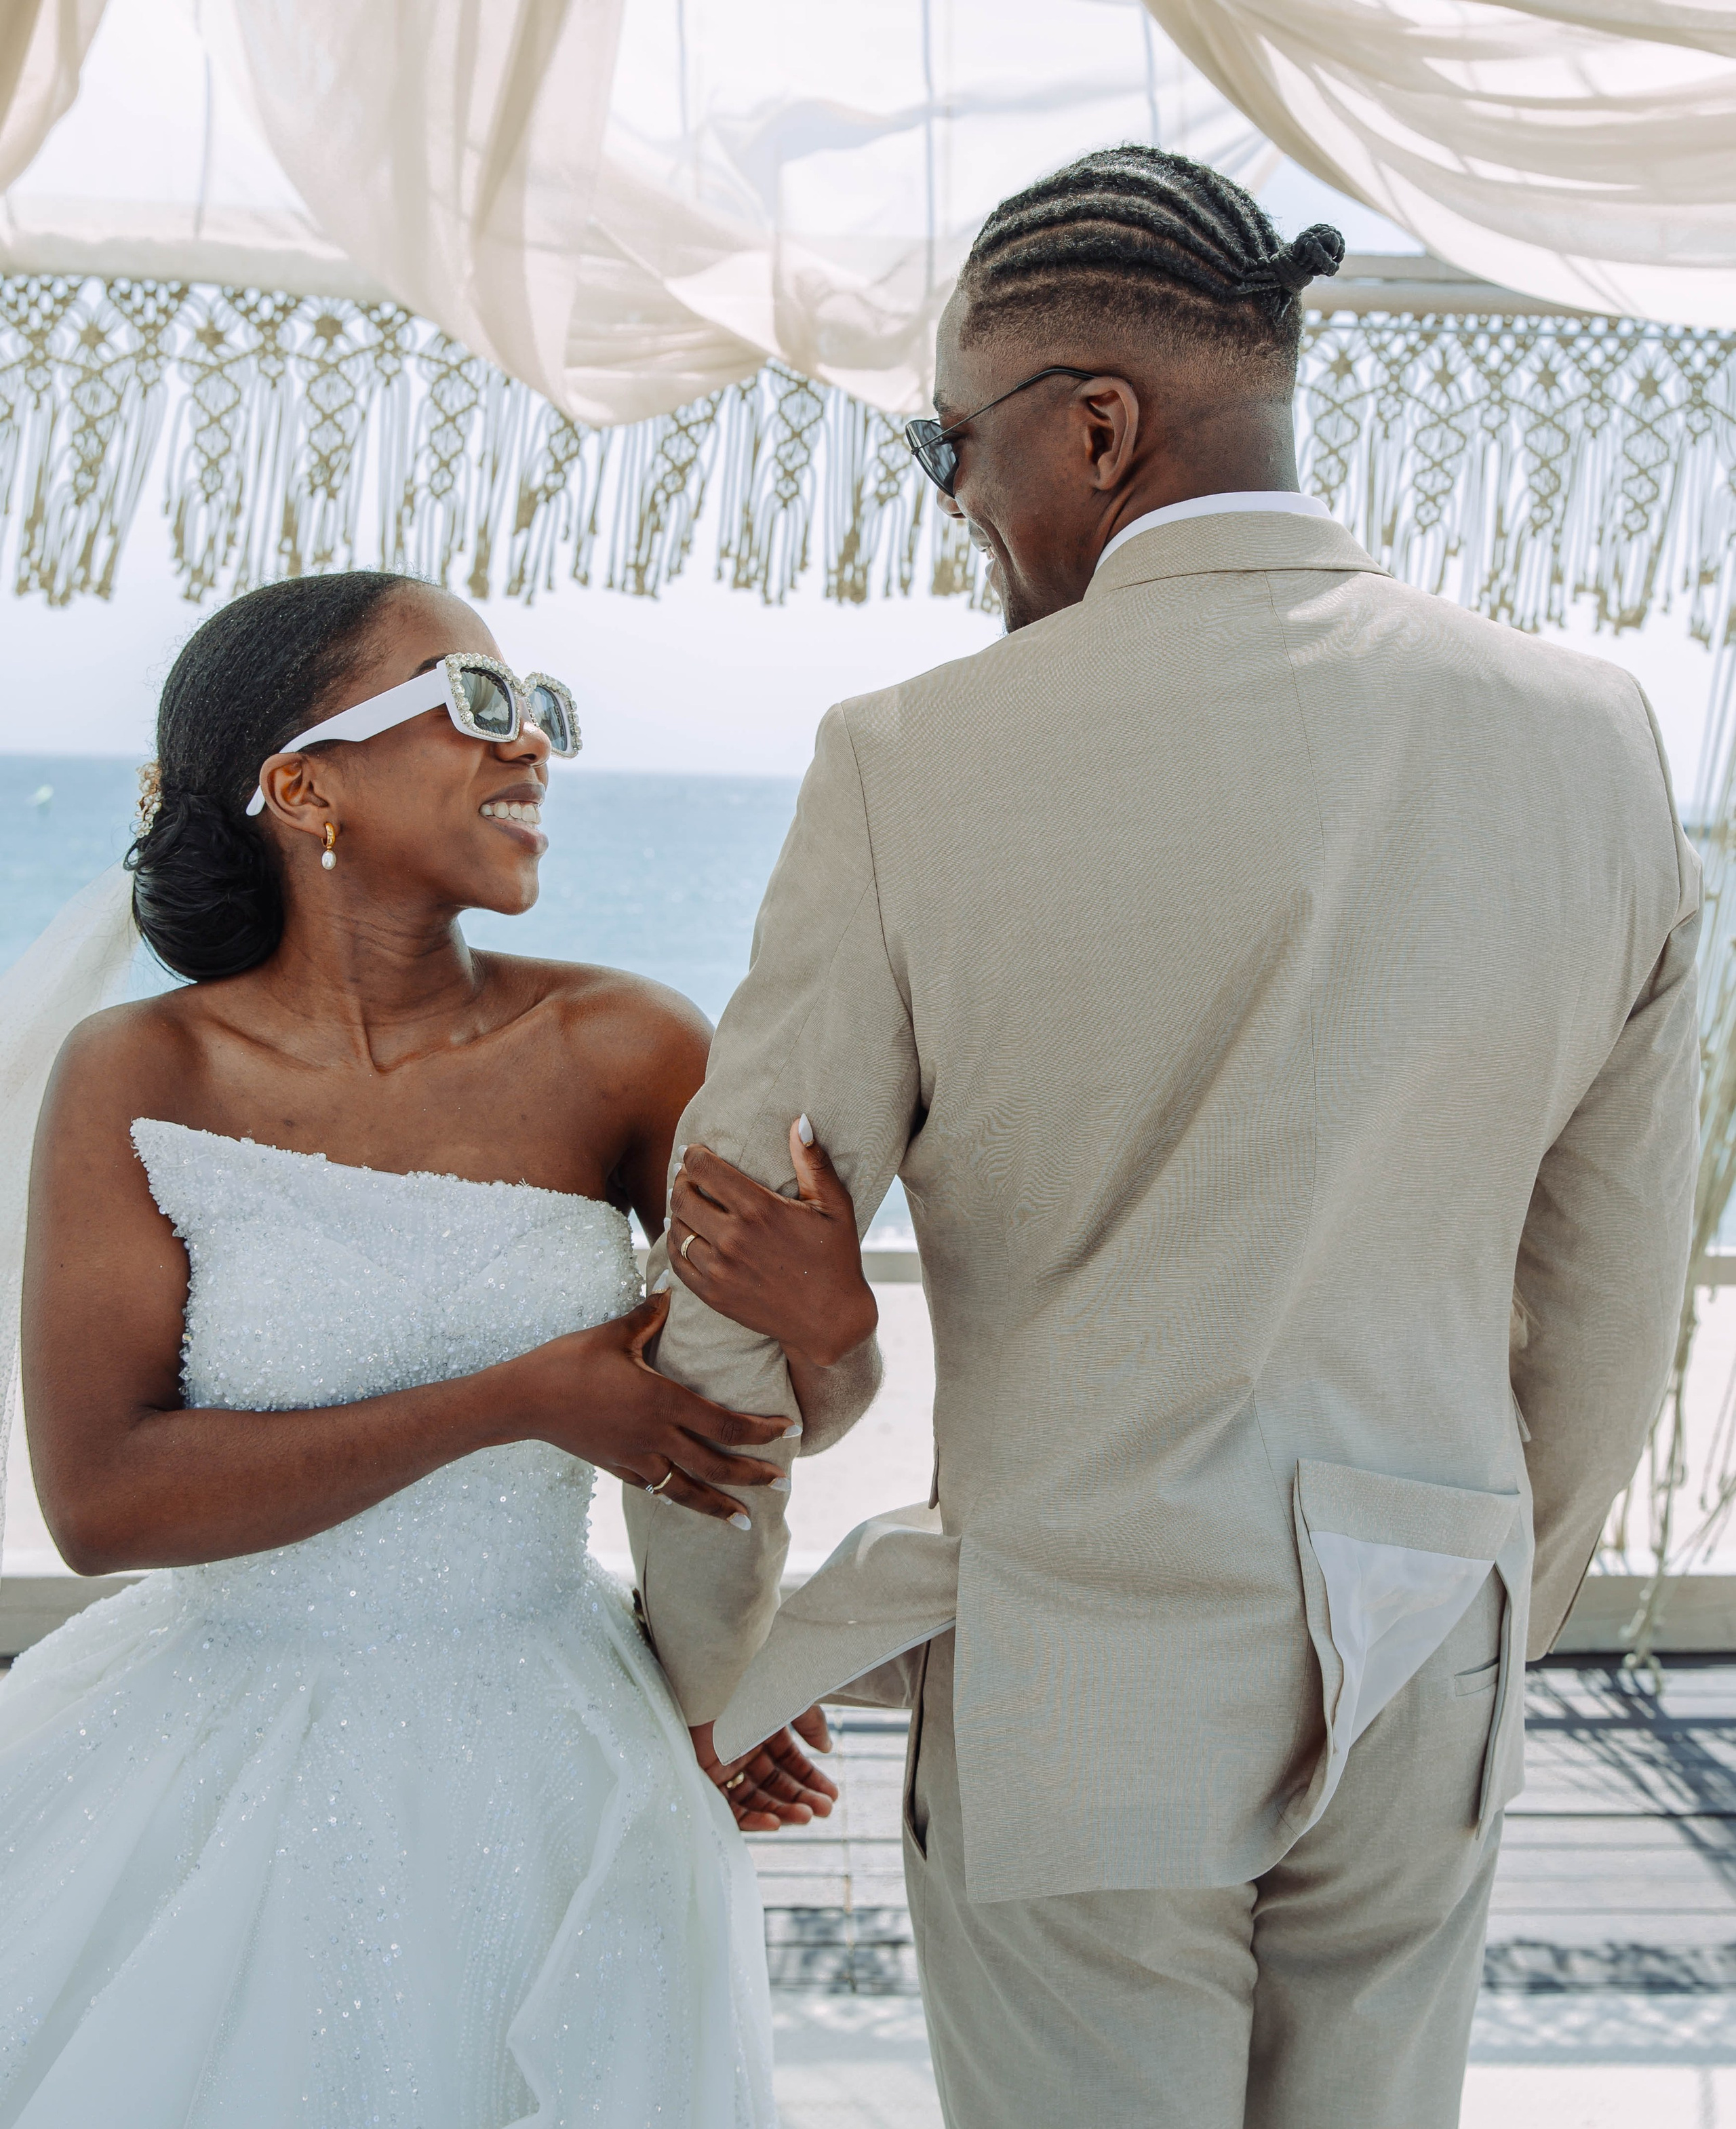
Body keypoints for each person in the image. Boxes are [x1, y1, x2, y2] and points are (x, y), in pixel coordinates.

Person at [625, 148, 1701, 2127]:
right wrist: (1486, 1613)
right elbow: (1619, 1292)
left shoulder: (909, 763)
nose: (960, 503)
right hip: (1426, 1652)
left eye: (955, 447)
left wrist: (713, 1666)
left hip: (1082, 1671)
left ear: (1097, 424)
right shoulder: (1593, 737)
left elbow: (726, 1275)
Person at [0, 570, 880, 2128]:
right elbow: (104, 1499)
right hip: (225, 1760)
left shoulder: (626, 1047)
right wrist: (516, 1398)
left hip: (560, 1754)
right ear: (301, 784)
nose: (531, 749)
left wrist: (837, 1333)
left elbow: (762, 1409)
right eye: (477, 705)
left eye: (543, 711)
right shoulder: (143, 1071)